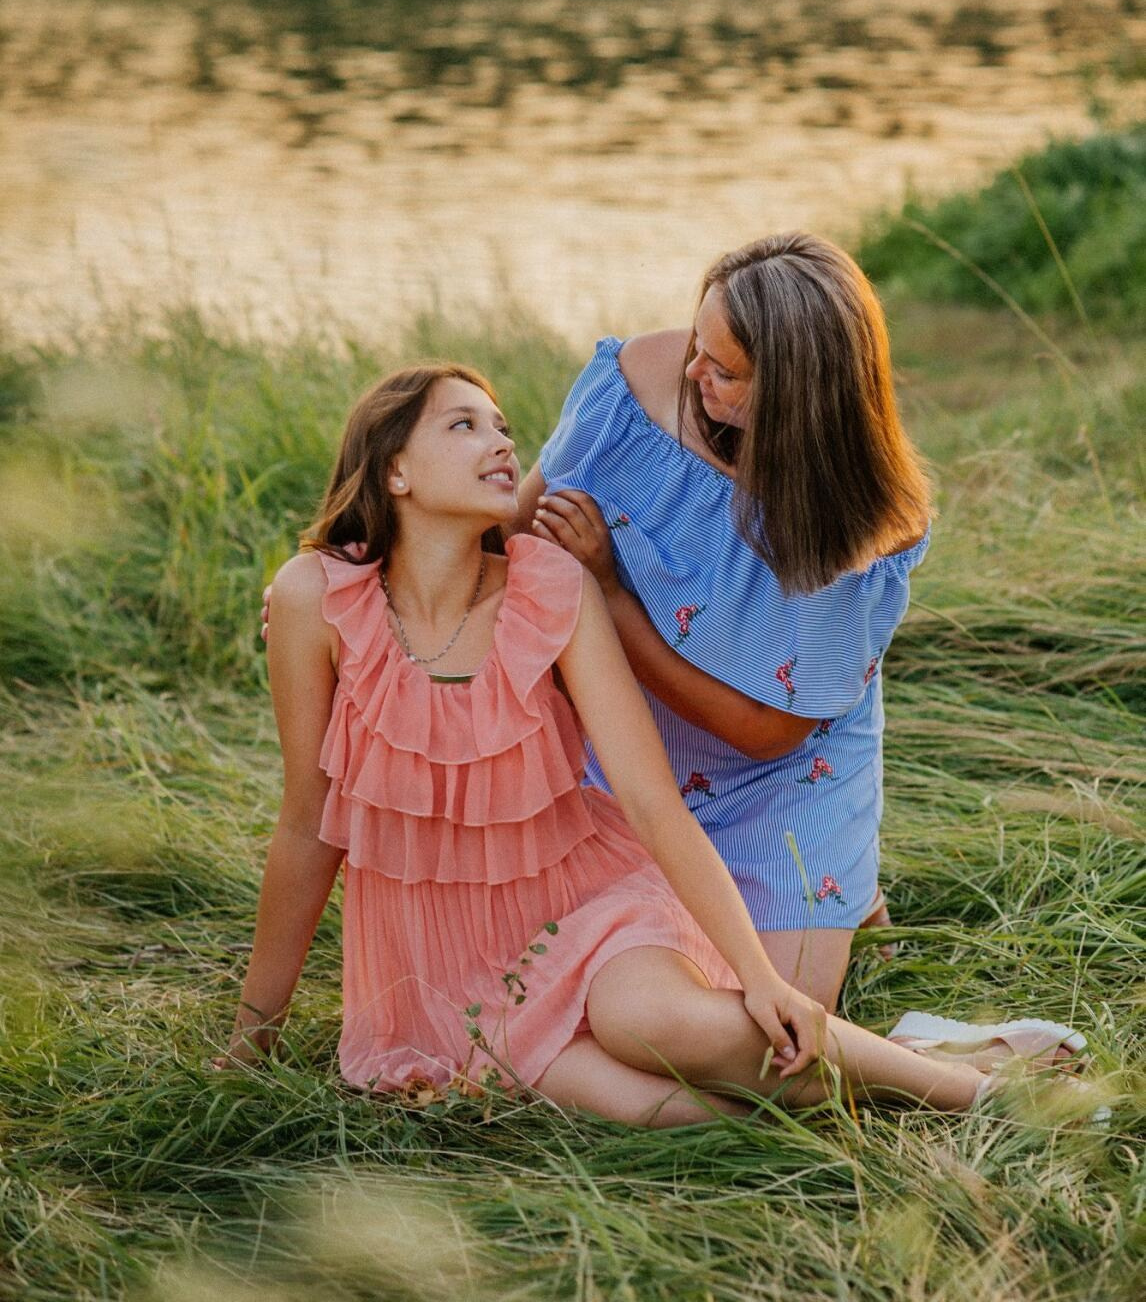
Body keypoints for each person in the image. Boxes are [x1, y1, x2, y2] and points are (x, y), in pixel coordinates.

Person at [222, 362, 1082, 1125]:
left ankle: (986, 1099)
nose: (501, 442)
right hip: (444, 970)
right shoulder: (313, 601)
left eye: (503, 427)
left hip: (586, 912)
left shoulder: (548, 587)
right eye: (463, 424)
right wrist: (249, 1042)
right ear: (395, 470)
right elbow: (309, 826)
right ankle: (937, 1058)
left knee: (665, 1026)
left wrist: (759, 975)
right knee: (679, 1112)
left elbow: (649, 801)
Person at [516, 232, 934, 1011]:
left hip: (781, 778)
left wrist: (611, 597)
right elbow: (507, 529)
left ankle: (841, 880)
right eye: (698, 342)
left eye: (725, 370)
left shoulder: (861, 526)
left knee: (766, 1020)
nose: (692, 371)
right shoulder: (639, 382)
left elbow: (765, 730)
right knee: (564, 983)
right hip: (626, 751)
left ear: (797, 394)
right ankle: (845, 903)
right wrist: (346, 584)